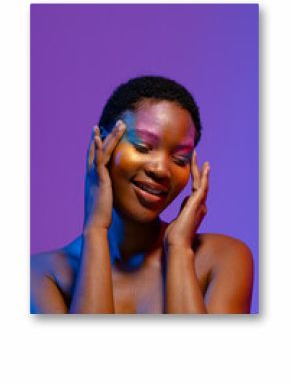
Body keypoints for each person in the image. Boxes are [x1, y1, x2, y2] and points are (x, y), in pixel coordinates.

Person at [30, 76, 254, 314]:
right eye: (142, 147)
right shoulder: (42, 275)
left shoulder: (223, 259)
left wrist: (179, 249)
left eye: (180, 159)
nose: (160, 170)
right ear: (102, 145)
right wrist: (95, 231)